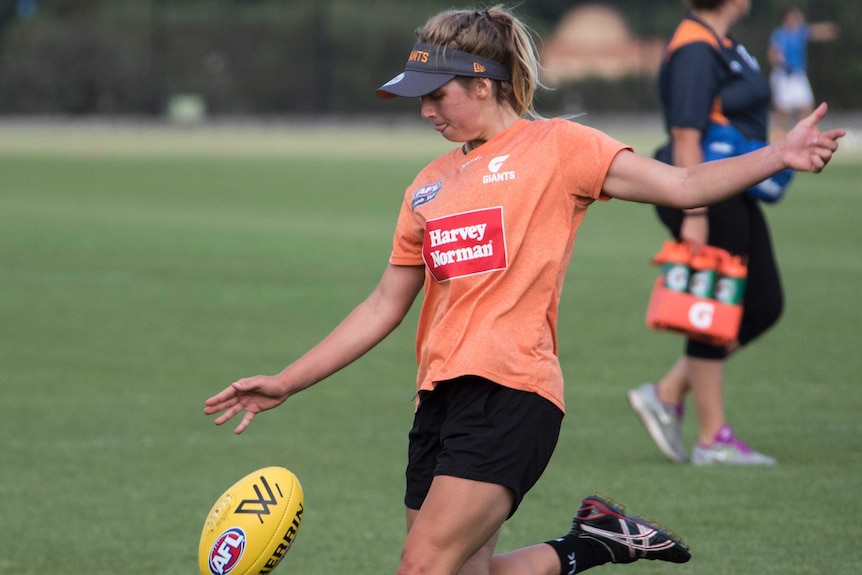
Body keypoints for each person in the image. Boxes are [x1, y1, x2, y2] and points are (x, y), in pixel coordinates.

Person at [204, 5, 841, 575]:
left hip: (512, 392)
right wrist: (287, 380)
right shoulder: (427, 187)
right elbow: (382, 306)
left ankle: (591, 542)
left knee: (421, 568)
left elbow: (682, 186)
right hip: (438, 401)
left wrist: (777, 155)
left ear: (483, 84)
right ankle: (592, 543)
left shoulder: (560, 147)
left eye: (437, 96)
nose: (425, 112)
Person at [627, 0, 803, 467]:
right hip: (703, 185)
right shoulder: (694, 46)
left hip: (732, 182)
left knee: (763, 305)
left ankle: (666, 393)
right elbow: (686, 135)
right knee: (713, 307)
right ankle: (713, 439)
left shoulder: (725, 43)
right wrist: (696, 212)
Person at [768, 6, 838, 139]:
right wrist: (780, 62)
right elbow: (774, 52)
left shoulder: (800, 32)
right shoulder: (780, 34)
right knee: (783, 110)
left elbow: (817, 31)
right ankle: (779, 137)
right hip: (784, 75)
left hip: (798, 74)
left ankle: (804, 135)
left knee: (806, 106)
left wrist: (831, 29)